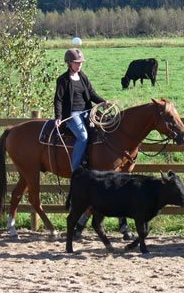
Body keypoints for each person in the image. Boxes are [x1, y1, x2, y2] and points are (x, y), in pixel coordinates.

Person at [54, 48, 134, 240]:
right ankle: (77, 167)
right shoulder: (63, 80)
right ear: (69, 63)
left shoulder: (83, 77)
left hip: (85, 112)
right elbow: (58, 99)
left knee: (98, 134)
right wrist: (58, 117)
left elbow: (91, 94)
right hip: (71, 114)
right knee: (82, 136)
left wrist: (103, 102)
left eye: (81, 62)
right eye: (76, 62)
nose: (79, 65)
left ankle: (90, 160)